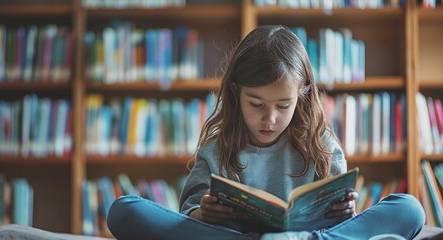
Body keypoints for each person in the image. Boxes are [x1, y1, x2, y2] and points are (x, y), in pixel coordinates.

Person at [107, 25, 425, 240]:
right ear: (235, 93)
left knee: (409, 209)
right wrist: (204, 211)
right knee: (125, 210)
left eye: (283, 106)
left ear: (302, 96)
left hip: (308, 238)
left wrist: (346, 211)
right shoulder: (216, 149)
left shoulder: (321, 143)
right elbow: (188, 216)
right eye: (256, 103)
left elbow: (341, 217)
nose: (269, 118)